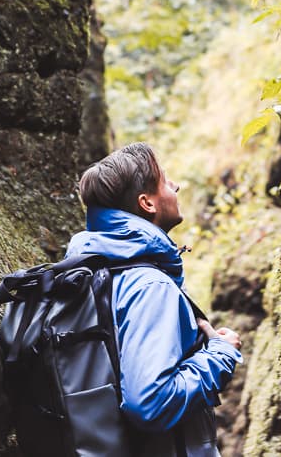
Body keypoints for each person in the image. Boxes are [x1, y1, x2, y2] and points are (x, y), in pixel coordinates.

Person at [66, 141, 243, 457]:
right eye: (165, 181)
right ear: (147, 203)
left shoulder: (96, 272)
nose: (176, 186)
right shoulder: (149, 285)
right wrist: (221, 353)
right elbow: (149, 402)